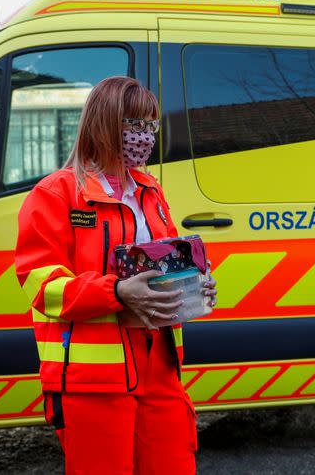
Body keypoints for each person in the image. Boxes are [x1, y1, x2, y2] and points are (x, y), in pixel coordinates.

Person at [15, 76, 217, 474]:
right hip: (94, 378)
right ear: (104, 125)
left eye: (151, 126)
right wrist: (119, 292)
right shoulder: (56, 194)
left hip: (158, 363)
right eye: (134, 126)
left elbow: (167, 258)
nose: (145, 136)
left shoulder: (149, 189)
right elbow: (42, 285)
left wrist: (194, 280)